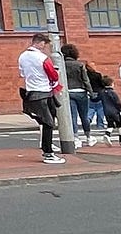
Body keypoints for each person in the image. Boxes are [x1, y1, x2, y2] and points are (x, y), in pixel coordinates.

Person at [18, 32, 65, 164]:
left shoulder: (22, 57)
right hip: (44, 92)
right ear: (39, 43)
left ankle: (48, 148)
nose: (44, 47)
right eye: (44, 44)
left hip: (31, 92)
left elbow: (22, 74)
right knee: (49, 123)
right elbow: (53, 75)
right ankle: (48, 153)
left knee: (45, 122)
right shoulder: (42, 58)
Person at [60, 42, 97, 148]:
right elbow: (85, 80)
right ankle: (88, 137)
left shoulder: (61, 65)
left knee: (72, 116)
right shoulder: (79, 65)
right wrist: (90, 92)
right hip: (81, 92)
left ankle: (75, 138)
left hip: (68, 92)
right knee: (84, 116)